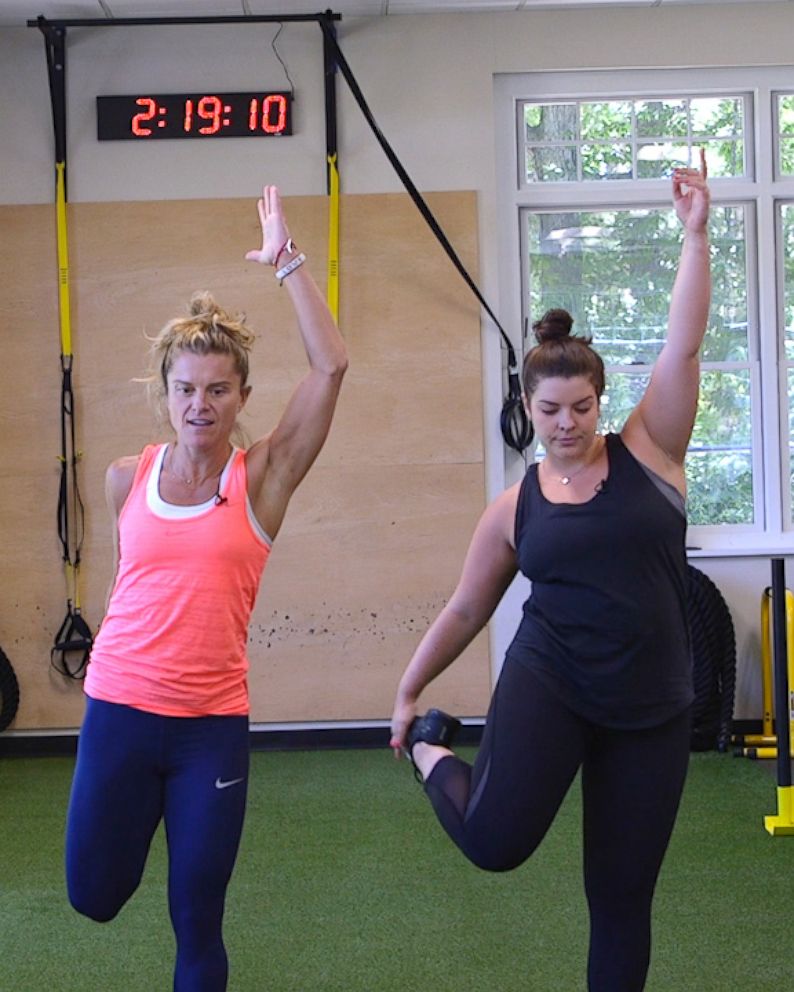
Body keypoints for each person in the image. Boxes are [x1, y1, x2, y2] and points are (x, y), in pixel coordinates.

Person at [390, 154, 711, 992]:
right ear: (526, 409)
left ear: (603, 401)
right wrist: (408, 693)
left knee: (620, 898)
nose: (566, 424)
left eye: (581, 407)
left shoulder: (652, 453)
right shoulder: (514, 508)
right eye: (549, 411)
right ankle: (434, 755)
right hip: (552, 682)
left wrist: (696, 235)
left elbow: (683, 344)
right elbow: (466, 608)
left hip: (652, 706)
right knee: (495, 845)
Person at [65, 185, 347, 991]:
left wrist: (288, 262)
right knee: (94, 896)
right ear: (166, 393)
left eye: (218, 390)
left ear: (242, 399)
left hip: (208, 733)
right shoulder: (127, 479)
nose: (201, 404)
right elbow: (133, 593)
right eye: (186, 389)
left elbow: (332, 365)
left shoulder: (261, 483)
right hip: (118, 713)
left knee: (198, 919)